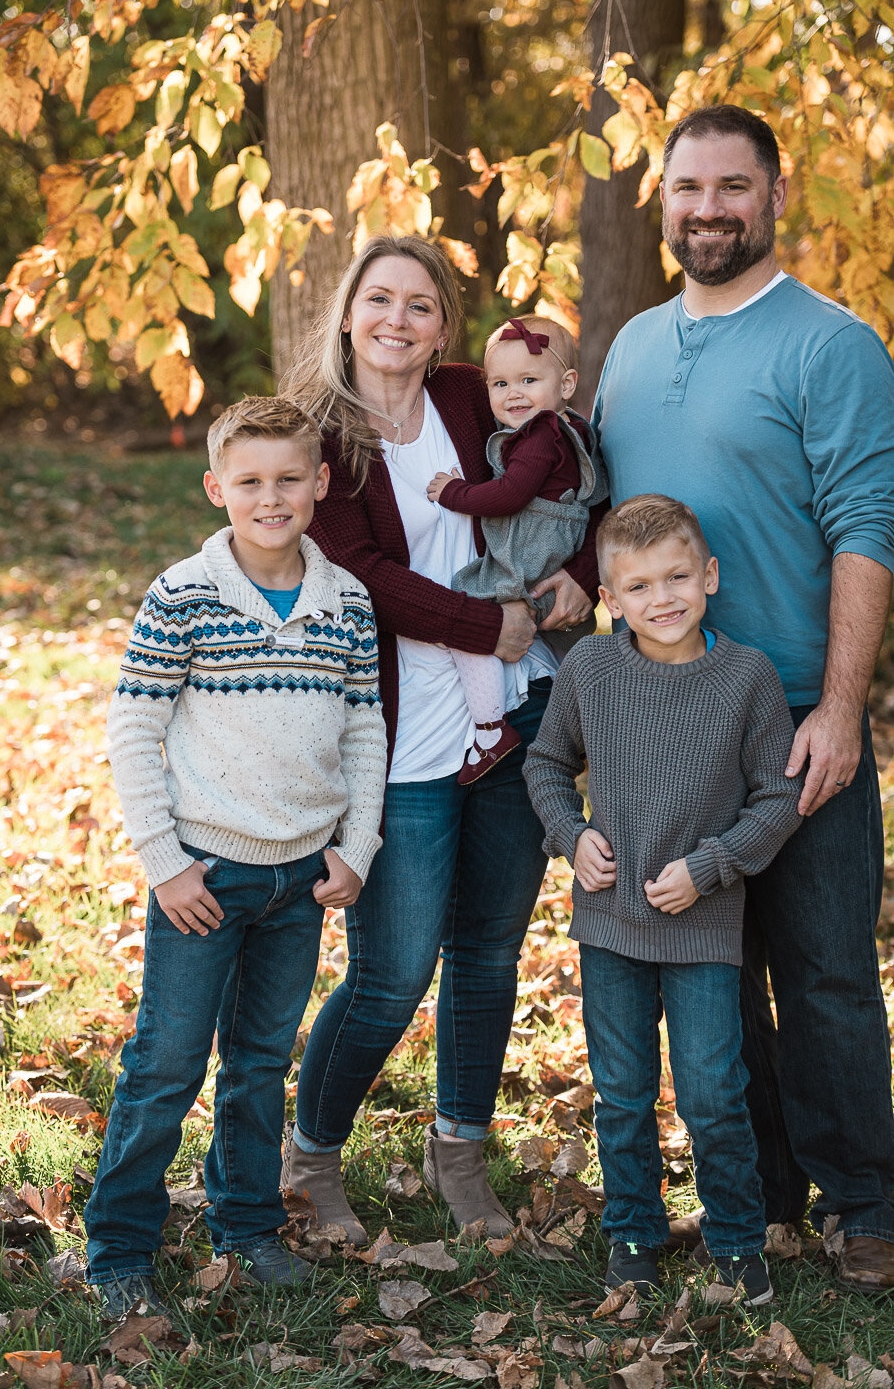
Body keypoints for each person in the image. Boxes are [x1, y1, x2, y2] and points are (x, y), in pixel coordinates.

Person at [593, 103, 894, 1290]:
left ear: (775, 194)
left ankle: (867, 1200)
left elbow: (868, 533)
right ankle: (762, 1190)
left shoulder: (833, 345)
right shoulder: (629, 347)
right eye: (687, 188)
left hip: (791, 716)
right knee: (716, 968)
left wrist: (838, 703)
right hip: (667, 723)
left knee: (821, 967)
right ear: (660, 202)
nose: (707, 208)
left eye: (732, 185)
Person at [278, 234, 602, 1244]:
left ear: (445, 326)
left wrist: (584, 571)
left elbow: (576, 474)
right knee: (393, 967)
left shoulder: (474, 395)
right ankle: (309, 1156)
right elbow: (359, 568)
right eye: (380, 299)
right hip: (396, 731)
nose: (397, 321)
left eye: (421, 305)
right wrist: (482, 624)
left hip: (519, 704)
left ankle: (460, 1147)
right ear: (346, 312)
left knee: (491, 949)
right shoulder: (318, 436)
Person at [83, 398, 386, 1316]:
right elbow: (133, 726)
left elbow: (364, 728)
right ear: (217, 488)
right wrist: (163, 862)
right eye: (249, 481)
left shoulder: (347, 602)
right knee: (167, 1063)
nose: (270, 497)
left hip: (300, 878)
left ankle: (247, 1224)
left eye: (289, 479)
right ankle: (120, 1247)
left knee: (259, 1062)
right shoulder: (185, 594)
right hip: (204, 879)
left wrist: (357, 848)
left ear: (319, 485)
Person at [524, 494, 801, 1304]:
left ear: (708, 576)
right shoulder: (592, 670)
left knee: (713, 1091)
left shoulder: (745, 677)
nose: (662, 599)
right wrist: (571, 838)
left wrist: (711, 866)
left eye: (677, 576)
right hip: (609, 923)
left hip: (703, 924)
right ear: (609, 598)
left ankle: (736, 1240)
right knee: (622, 1091)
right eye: (638, 586)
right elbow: (544, 765)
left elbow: (778, 799)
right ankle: (634, 1234)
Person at [425, 315, 608, 784]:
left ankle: (489, 732)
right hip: (552, 555)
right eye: (500, 384)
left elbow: (509, 496)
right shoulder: (570, 429)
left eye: (529, 380)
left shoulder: (542, 436)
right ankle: (589, 725)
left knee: (468, 624)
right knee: (569, 646)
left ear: (566, 384)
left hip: (530, 557)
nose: (514, 394)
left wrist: (453, 492)